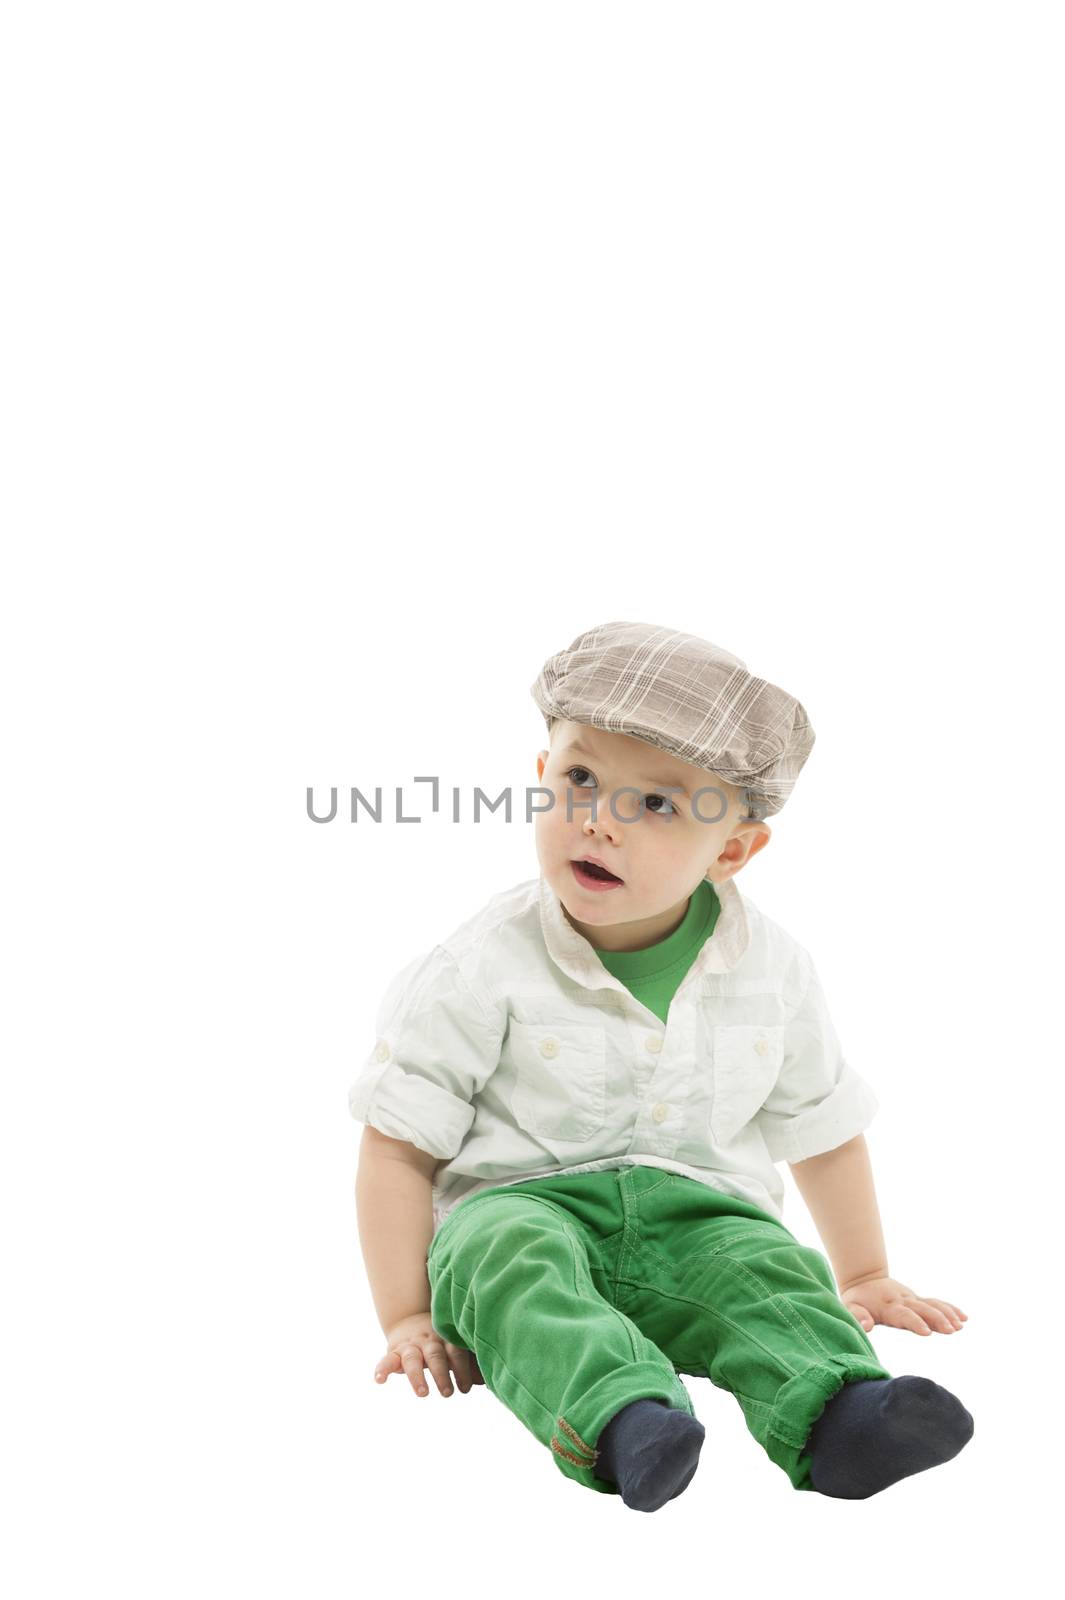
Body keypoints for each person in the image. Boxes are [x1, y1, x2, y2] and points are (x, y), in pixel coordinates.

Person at [349, 620, 974, 1511]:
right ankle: (622, 1419)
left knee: (764, 1267)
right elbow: (398, 1145)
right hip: (524, 1204)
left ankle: (840, 1413)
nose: (599, 819)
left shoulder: (774, 970)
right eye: (579, 780)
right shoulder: (479, 964)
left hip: (697, 1214)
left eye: (655, 805)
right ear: (541, 776)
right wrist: (407, 1314)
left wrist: (865, 1272)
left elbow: (820, 1126)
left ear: (731, 850)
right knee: (506, 1257)